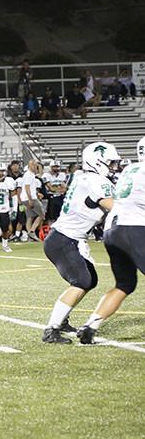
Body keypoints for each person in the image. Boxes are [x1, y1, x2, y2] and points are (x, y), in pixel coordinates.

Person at [40, 142, 120, 344]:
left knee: (89, 279)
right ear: (98, 162)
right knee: (82, 281)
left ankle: (63, 318)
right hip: (65, 239)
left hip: (68, 237)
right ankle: (52, 329)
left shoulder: (81, 176)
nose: (114, 167)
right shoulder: (97, 181)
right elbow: (115, 208)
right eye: (110, 163)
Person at [77, 136, 145, 343]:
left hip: (112, 231)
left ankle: (91, 325)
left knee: (125, 284)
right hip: (134, 228)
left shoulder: (131, 170)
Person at [20, 160, 45, 241]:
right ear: (30, 166)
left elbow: (30, 187)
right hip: (30, 198)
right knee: (42, 214)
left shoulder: (30, 174)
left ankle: (30, 236)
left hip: (26, 197)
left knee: (30, 217)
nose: (36, 167)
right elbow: (27, 187)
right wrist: (30, 199)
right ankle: (32, 231)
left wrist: (37, 194)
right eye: (34, 166)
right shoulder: (29, 175)